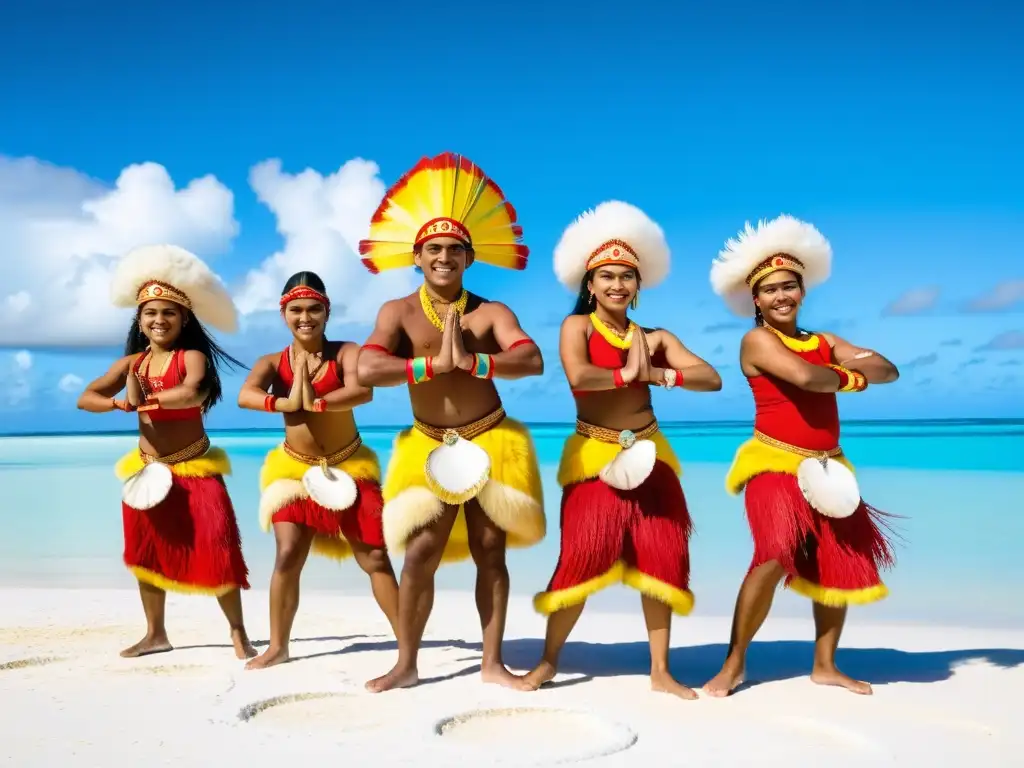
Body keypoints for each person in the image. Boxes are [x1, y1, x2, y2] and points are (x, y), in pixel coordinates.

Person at [356, 151, 546, 692]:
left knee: (491, 550)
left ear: (469, 258)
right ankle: (407, 662)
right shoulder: (397, 312)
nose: (444, 257)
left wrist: (473, 361)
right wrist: (429, 365)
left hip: (490, 439)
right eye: (434, 249)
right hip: (426, 444)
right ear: (417, 256)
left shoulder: (490, 312)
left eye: (454, 250)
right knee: (420, 553)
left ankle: (491, 664)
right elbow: (368, 367)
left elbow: (531, 360)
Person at [523, 201, 722, 699]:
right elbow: (579, 376)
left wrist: (658, 373)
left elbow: (711, 378)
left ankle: (660, 671)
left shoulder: (655, 337)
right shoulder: (579, 328)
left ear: (638, 285)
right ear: (589, 285)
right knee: (579, 561)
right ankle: (549, 661)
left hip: (651, 456)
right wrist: (625, 374)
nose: (617, 285)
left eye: (626, 277)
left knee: (664, 560)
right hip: (595, 455)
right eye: (606, 276)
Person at [703, 215, 900, 697]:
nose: (781, 296)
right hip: (773, 462)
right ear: (756, 299)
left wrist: (848, 363)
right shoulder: (757, 340)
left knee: (838, 562)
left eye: (789, 286)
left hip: (830, 463)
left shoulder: (824, 340)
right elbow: (808, 379)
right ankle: (733, 664)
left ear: (802, 291)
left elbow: (888, 368)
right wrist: (851, 373)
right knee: (773, 555)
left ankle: (825, 664)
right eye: (770, 290)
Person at [76, 244, 255, 659]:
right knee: (145, 553)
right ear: (139, 320)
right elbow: (87, 397)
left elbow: (192, 391)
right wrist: (115, 403)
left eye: (169, 312)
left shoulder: (190, 356)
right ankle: (156, 633)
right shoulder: (131, 364)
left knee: (219, 548)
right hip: (147, 469)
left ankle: (238, 632)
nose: (159, 320)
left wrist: (146, 402)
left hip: (195, 466)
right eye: (151, 313)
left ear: (185, 318)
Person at [238, 271, 399, 670]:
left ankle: (406, 640)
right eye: (296, 309)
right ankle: (278, 647)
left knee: (375, 557)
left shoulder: (346, 352)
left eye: (313, 309)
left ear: (326, 312)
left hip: (350, 465)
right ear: (284, 314)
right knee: (288, 554)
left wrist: (318, 404)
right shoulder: (272, 362)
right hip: (292, 471)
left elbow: (363, 390)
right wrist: (283, 404)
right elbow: (246, 395)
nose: (305, 317)